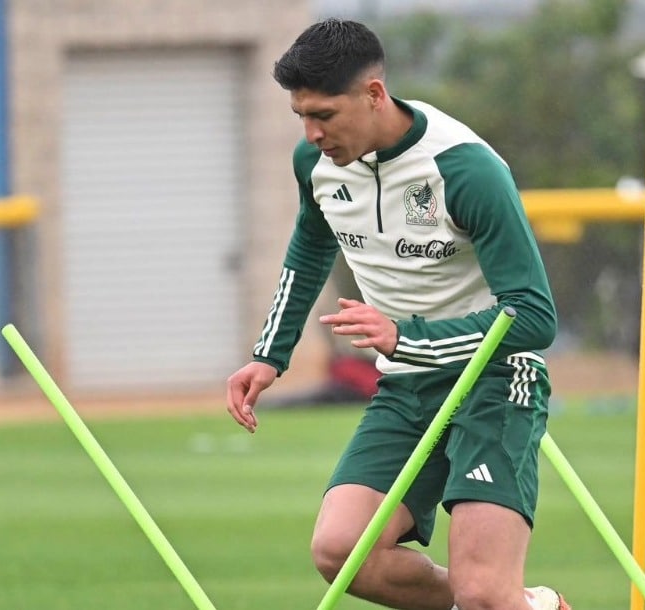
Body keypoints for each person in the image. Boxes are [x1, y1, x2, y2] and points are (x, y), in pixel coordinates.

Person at [226, 18, 569, 610]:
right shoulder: (316, 166)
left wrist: (403, 337)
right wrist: (269, 355)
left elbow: (535, 317)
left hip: (495, 382)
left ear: (374, 95)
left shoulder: (466, 169)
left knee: (486, 592)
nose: (311, 134)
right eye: (300, 117)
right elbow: (310, 247)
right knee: (340, 553)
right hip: (408, 386)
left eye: (324, 115)